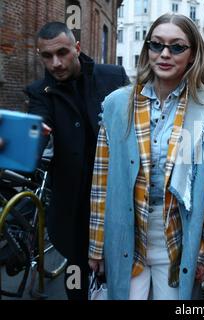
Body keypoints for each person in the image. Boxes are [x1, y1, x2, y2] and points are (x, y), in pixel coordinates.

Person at [88, 13, 204, 300]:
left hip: (177, 237)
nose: (165, 54)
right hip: (126, 231)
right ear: (147, 50)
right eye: (157, 45)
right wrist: (96, 245)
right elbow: (101, 179)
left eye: (177, 47)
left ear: (192, 55)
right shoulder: (117, 104)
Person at [25, 22, 129, 300]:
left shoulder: (112, 76)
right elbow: (35, 131)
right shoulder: (39, 92)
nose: (55, 63)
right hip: (72, 207)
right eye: (47, 56)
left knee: (123, 277)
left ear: (77, 48)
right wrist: (19, 144)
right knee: (77, 281)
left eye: (62, 53)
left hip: (116, 198)